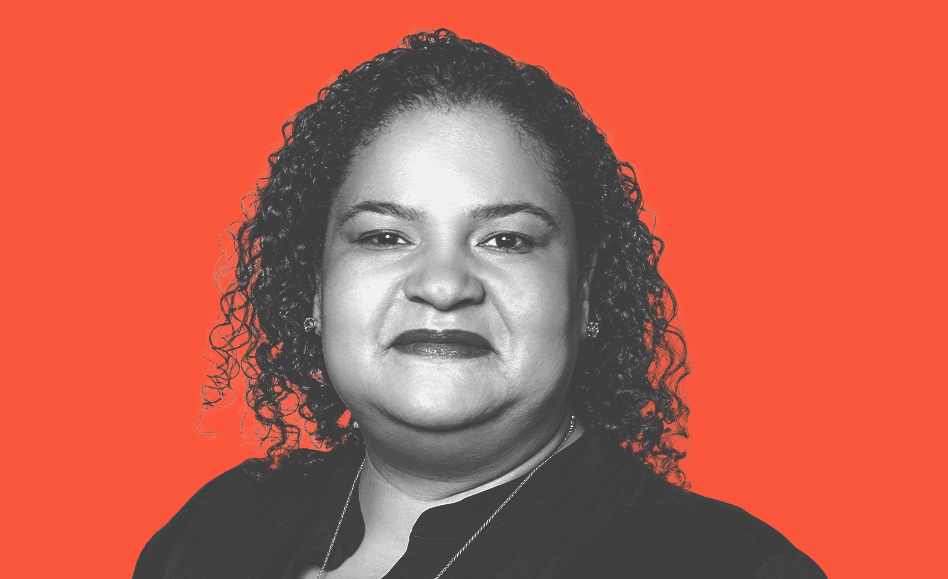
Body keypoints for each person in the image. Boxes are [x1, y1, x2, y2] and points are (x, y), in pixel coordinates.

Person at [133, 30, 825, 579]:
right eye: (384, 236)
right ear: (315, 288)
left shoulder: (726, 566)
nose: (443, 284)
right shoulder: (213, 531)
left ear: (585, 291)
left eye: (506, 239)